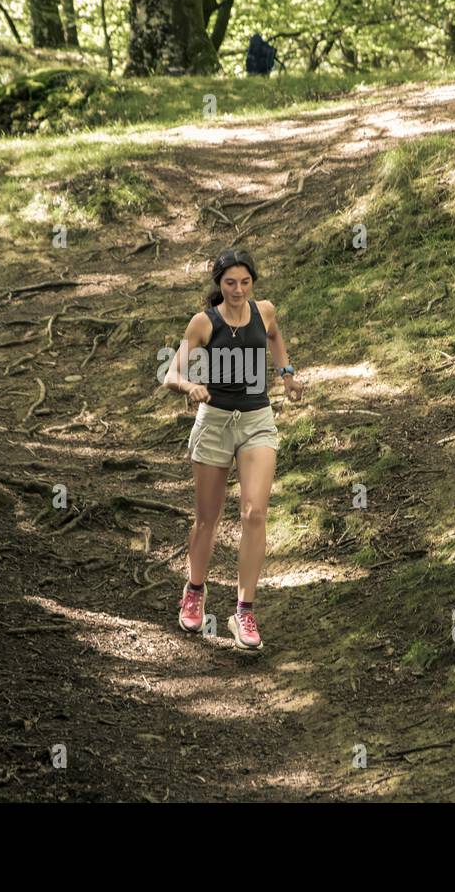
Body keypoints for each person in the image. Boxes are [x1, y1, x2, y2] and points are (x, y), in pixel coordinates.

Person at [163, 249, 304, 650]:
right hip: (215, 422)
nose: (238, 290)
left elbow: (275, 339)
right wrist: (190, 386)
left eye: (245, 282)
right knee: (208, 518)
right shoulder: (204, 323)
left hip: (257, 420)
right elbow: (172, 372)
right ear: (219, 285)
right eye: (230, 283)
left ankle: (244, 611)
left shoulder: (266, 311)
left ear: (253, 283)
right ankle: (194, 590)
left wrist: (287, 374)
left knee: (255, 513)